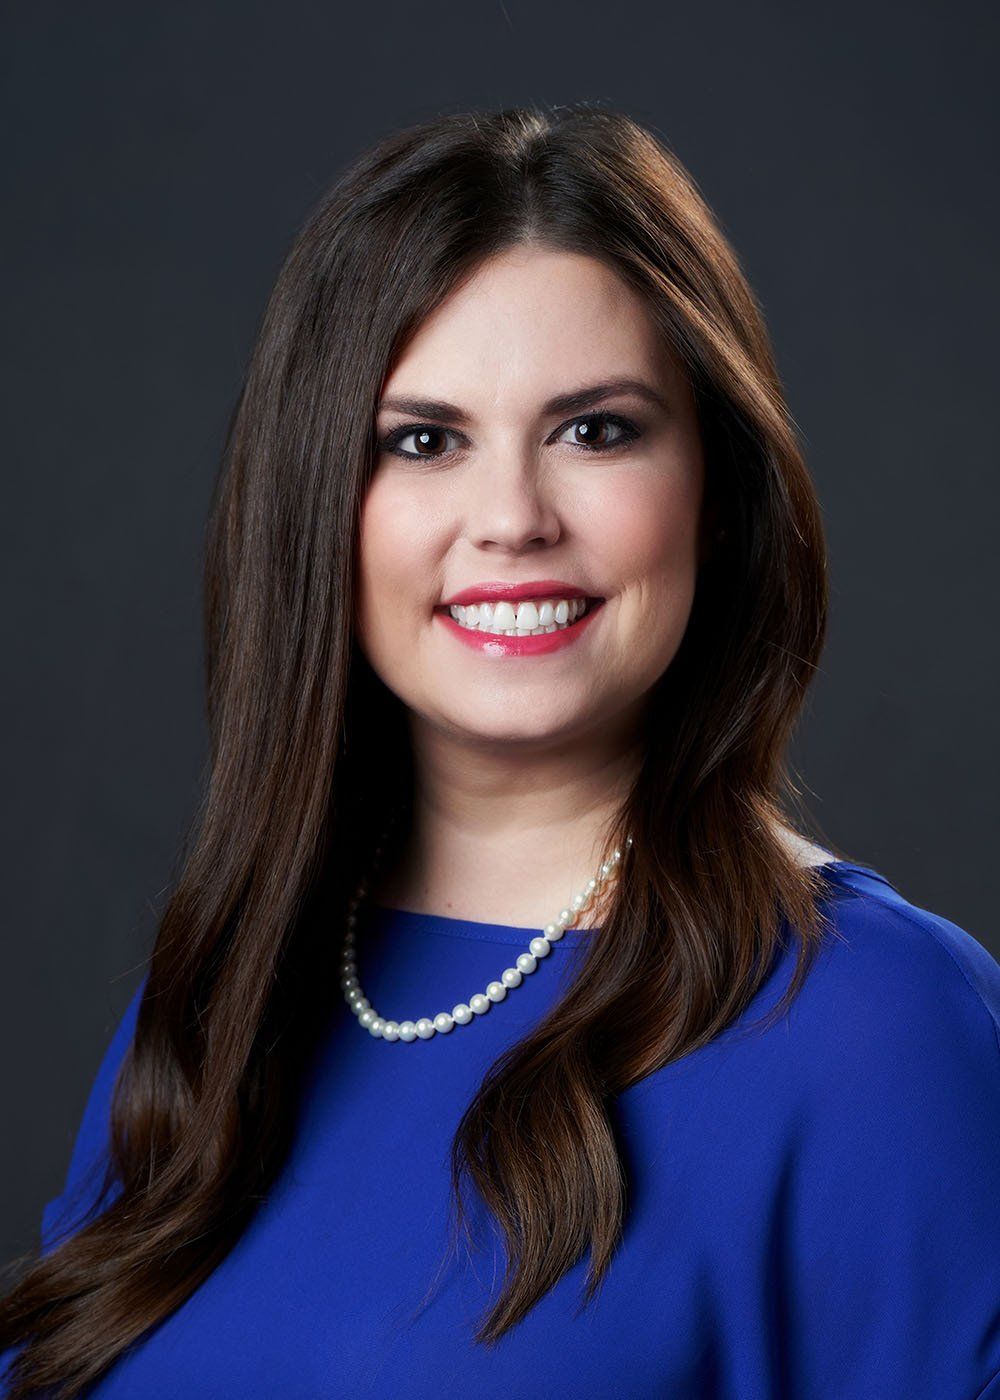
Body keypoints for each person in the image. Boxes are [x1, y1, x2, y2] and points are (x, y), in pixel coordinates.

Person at [2, 102, 998, 1399]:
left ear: (717, 484)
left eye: (597, 430)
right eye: (423, 442)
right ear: (318, 510)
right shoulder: (223, 996)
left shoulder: (881, 1029)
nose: (512, 520)